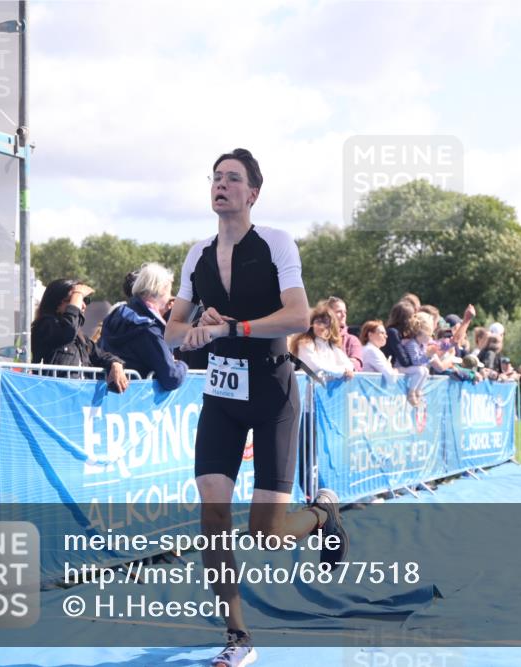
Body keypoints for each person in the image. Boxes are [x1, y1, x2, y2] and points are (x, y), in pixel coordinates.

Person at [164, 148, 346, 667]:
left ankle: (322, 512)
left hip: (271, 393)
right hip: (221, 397)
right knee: (213, 510)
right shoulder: (197, 254)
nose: (221, 185)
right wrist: (196, 331)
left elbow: (297, 317)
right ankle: (237, 635)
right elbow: (172, 332)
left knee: (266, 533)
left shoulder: (275, 243)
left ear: (253, 193)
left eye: (232, 178)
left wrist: (232, 327)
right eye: (215, 177)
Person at [99, 263, 188, 391]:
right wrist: (181, 365)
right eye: (169, 291)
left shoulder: (115, 314)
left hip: (106, 394)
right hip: (137, 396)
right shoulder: (150, 329)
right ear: (161, 290)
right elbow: (172, 378)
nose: (169, 296)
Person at [31, 278, 129, 393]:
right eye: (74, 299)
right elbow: (68, 330)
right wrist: (78, 293)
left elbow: (101, 355)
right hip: (54, 397)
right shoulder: (45, 326)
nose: (82, 305)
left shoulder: (80, 337)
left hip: (77, 400)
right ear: (56, 305)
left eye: (85, 300)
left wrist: (116, 364)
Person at [289, 303, 355, 380]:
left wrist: (347, 370)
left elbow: (348, 364)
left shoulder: (331, 346)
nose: (321, 326)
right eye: (318, 322)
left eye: (326, 322)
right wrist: (342, 372)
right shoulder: (304, 344)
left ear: (331, 327)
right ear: (312, 325)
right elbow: (316, 367)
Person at [326, 296, 363, 371]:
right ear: (328, 314)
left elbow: (356, 365)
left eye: (345, 312)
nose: (343, 315)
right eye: (339, 312)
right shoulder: (319, 337)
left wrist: (347, 366)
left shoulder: (352, 340)